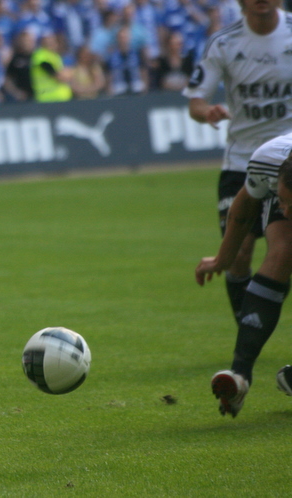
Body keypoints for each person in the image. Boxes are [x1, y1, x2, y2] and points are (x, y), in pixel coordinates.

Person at [187, 0, 292, 417]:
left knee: (282, 250)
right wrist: (207, 111)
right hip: (251, 161)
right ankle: (243, 362)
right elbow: (195, 100)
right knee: (251, 253)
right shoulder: (224, 43)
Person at [196, 133, 292, 417]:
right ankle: (239, 377)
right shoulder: (267, 160)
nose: (286, 212)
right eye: (282, 201)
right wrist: (222, 259)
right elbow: (244, 207)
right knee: (283, 250)